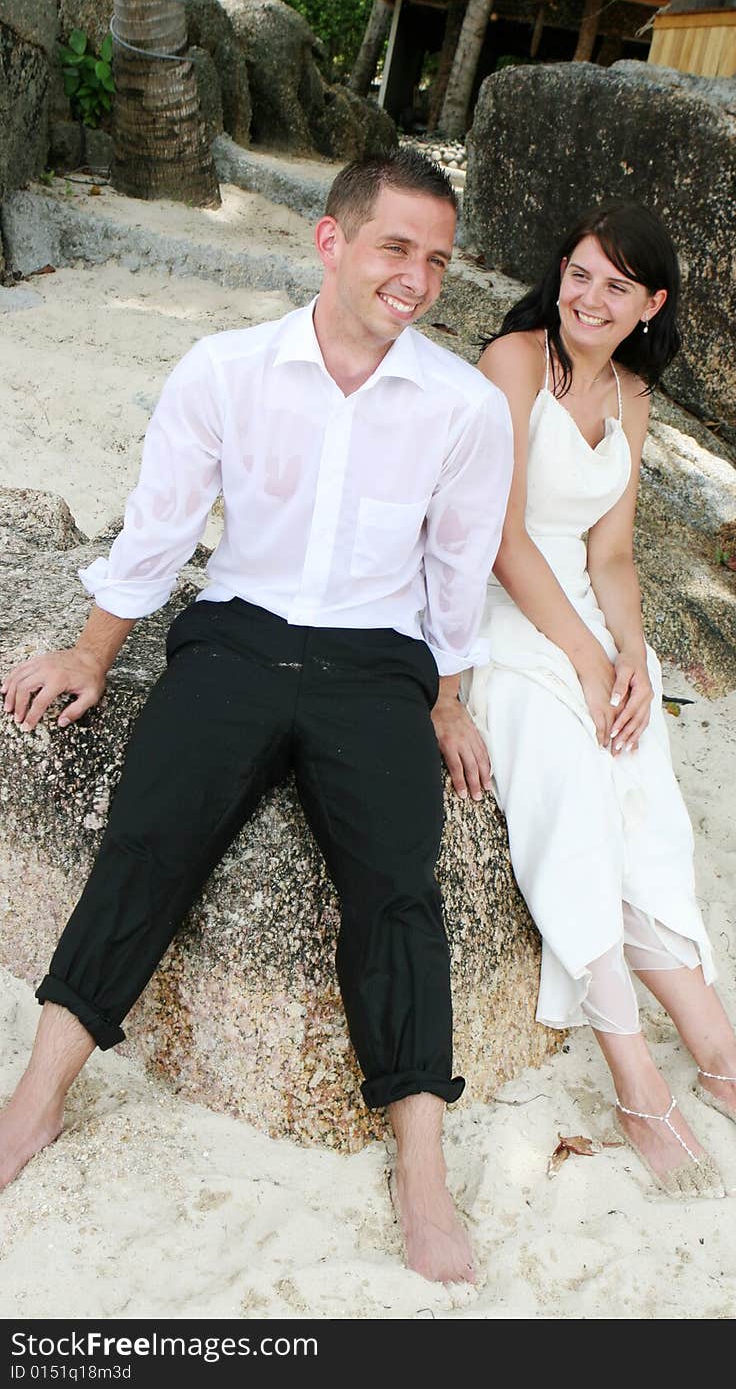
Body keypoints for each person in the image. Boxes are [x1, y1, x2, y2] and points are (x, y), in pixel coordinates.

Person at [0, 150, 514, 1280]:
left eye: (436, 259)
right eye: (396, 247)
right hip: (236, 637)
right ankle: (35, 1099)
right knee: (147, 839)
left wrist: (450, 698)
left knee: (396, 883)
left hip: (377, 662)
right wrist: (92, 651)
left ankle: (420, 1166)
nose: (417, 278)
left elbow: (455, 567)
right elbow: (161, 526)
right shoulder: (224, 370)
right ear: (330, 243)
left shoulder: (465, 407)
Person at [430, 201, 736, 1198]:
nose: (590, 297)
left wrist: (630, 657)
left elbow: (611, 552)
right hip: (499, 613)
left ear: (651, 304)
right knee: (572, 797)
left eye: (616, 285)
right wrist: (584, 662)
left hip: (584, 616)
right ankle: (637, 1082)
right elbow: (500, 539)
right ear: (560, 275)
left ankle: (717, 1053)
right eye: (580, 273)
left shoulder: (633, 395)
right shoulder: (512, 363)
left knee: (645, 807)